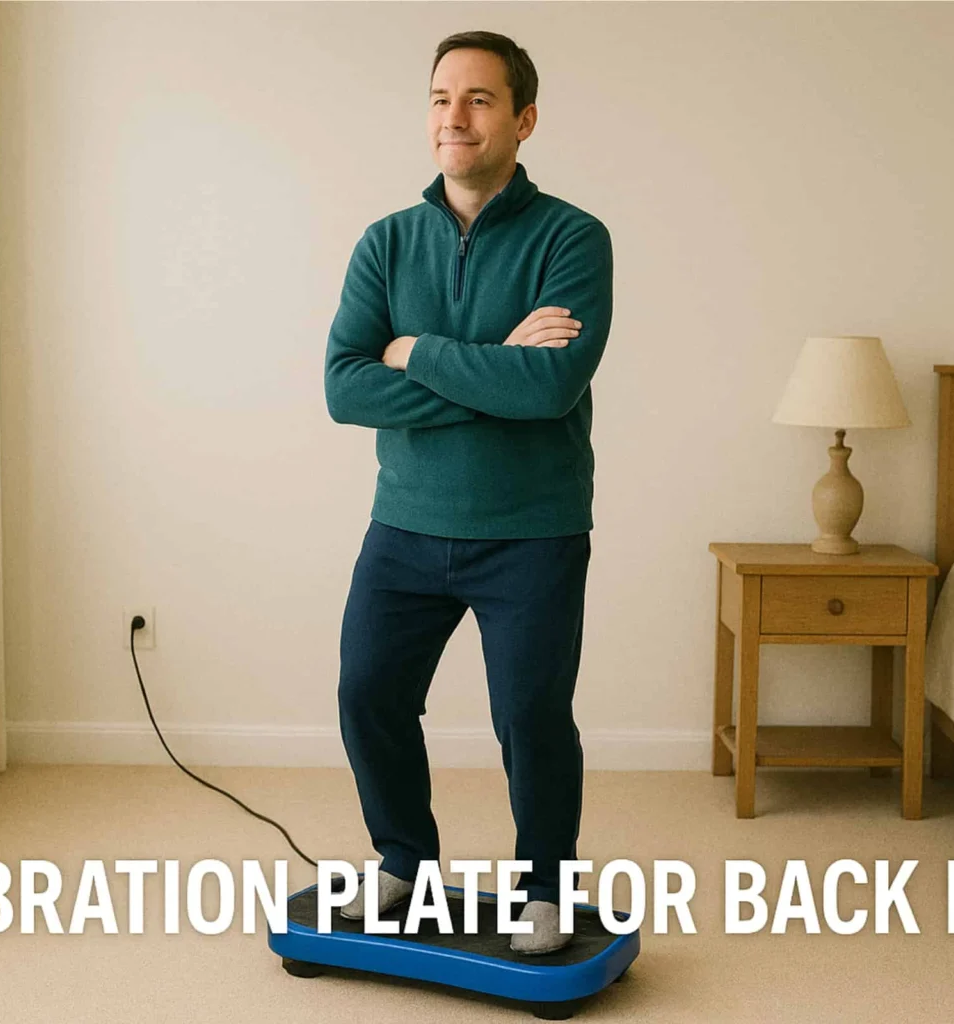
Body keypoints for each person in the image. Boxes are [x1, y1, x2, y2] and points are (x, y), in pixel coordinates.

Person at [323, 29, 613, 955]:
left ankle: (546, 887)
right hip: (405, 524)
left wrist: (414, 351)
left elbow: (548, 388)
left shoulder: (573, 238)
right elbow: (344, 388)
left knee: (530, 718)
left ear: (524, 120)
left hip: (533, 530)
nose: (455, 115)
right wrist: (491, 369)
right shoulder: (386, 243)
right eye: (442, 97)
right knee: (368, 694)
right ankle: (403, 862)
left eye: (480, 99)